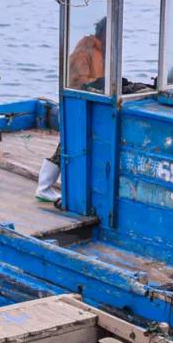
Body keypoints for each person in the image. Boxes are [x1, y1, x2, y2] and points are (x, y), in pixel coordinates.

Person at [37, 16, 108, 203]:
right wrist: (98, 84)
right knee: (66, 145)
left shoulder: (101, 52)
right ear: (104, 32)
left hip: (90, 107)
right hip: (76, 105)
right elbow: (77, 82)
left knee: (71, 145)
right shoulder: (84, 51)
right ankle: (43, 187)